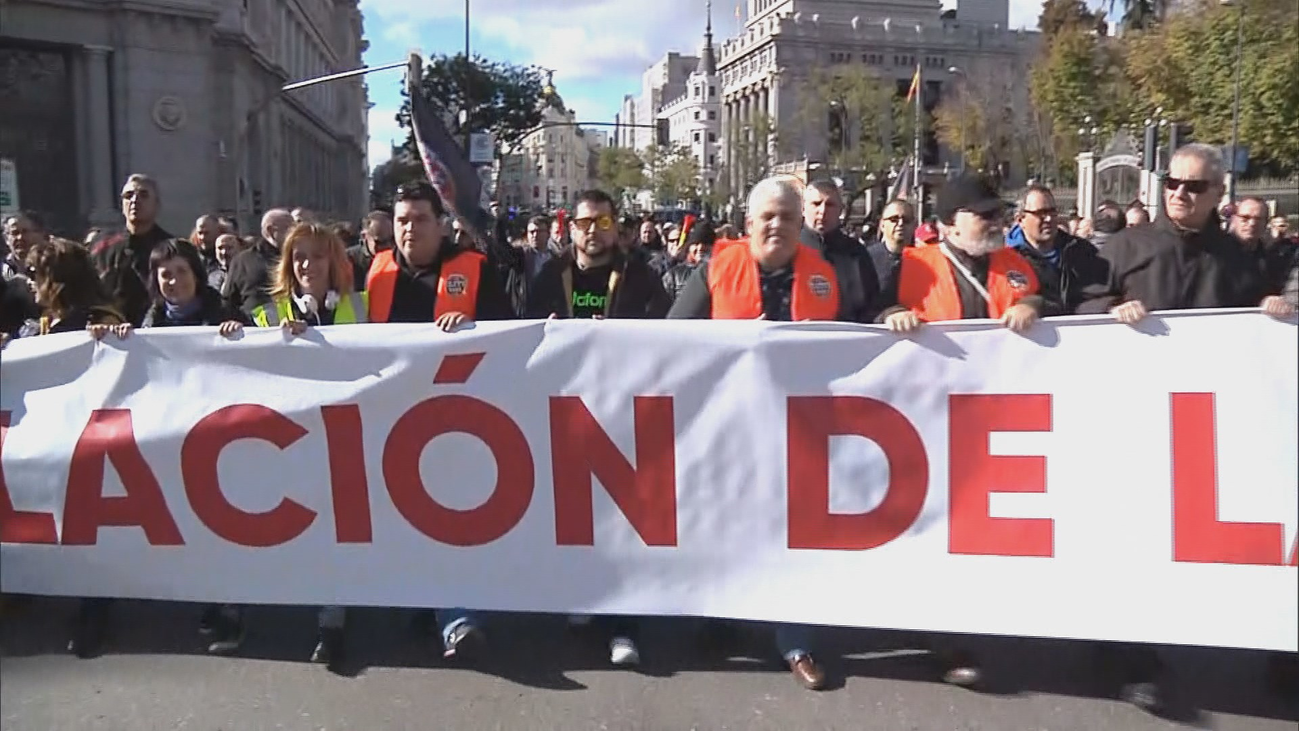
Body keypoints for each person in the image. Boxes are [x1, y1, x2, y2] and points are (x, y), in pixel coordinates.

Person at [667, 177, 837, 690]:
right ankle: (720, 615)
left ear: (799, 224)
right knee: (727, 526)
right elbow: (670, 338)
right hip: (730, 428)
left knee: (795, 536)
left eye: (787, 217)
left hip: (799, 431)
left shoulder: (824, 276)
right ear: (748, 224)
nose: (777, 226)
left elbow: (853, 346)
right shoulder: (716, 268)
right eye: (767, 217)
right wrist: (731, 344)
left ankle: (796, 641)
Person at [1078, 144, 1292, 324]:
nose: (1178, 194)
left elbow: (1257, 314)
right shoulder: (1125, 245)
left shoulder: (1237, 256)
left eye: (1194, 186)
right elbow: (1083, 303)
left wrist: (1271, 306)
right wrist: (1112, 308)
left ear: (1219, 193)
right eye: (1172, 183)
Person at [879, 175, 1052, 336]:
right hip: (938, 366)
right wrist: (892, 314)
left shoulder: (1020, 261)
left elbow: (1055, 303)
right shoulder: (909, 266)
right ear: (950, 223)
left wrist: (1032, 305)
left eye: (999, 214)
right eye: (986, 215)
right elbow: (872, 311)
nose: (997, 223)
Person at [365, 182, 513, 332]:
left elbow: (505, 334)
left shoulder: (475, 269)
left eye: (421, 219)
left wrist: (472, 327)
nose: (410, 228)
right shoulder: (378, 270)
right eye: (402, 221)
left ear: (441, 225)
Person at [527, 189, 671, 322]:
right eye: (584, 223)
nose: (593, 230)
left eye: (604, 222)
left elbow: (660, 329)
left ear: (615, 227)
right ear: (572, 228)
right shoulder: (550, 275)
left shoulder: (641, 277)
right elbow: (529, 325)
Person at [1006, 185, 1108, 314]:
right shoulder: (1005, 259)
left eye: (1052, 211)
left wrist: (1110, 305)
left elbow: (1100, 294)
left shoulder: (1082, 251)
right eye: (1041, 213)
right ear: (1020, 219)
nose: (1048, 219)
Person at [89, 174, 174, 325]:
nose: (135, 200)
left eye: (143, 195)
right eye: (128, 196)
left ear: (156, 204)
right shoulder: (101, 245)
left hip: (155, 329)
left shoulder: (171, 247)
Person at [251, 223, 368, 329]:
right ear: (289, 263)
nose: (307, 264)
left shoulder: (365, 306)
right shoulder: (268, 315)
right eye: (299, 257)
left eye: (318, 256)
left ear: (333, 262)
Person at [801, 180, 882, 322]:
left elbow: (873, 305)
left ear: (841, 210)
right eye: (816, 204)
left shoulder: (856, 253)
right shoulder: (788, 250)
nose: (823, 211)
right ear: (803, 208)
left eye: (830, 205)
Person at [140, 239, 247, 332]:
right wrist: (127, 336)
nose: (174, 281)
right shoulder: (149, 325)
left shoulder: (227, 314)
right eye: (166, 275)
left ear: (196, 274)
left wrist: (241, 333)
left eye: (182, 271)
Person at [223, 208, 293, 316]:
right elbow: (229, 300)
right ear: (270, 230)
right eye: (289, 229)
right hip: (255, 328)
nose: (294, 234)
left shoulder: (295, 258)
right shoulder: (243, 261)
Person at [1229, 197, 1296, 297]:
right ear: (1234, 219)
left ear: (1266, 223)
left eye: (1258, 219)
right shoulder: (1214, 254)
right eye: (1245, 218)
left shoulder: (1274, 259)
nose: (1252, 224)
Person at [865, 199, 917, 302]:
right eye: (894, 219)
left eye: (906, 220)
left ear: (914, 225)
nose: (900, 224)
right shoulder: (866, 259)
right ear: (882, 225)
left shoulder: (927, 260)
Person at [662, 221, 715, 302]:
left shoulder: (721, 274)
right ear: (689, 247)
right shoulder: (673, 276)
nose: (700, 248)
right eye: (696, 244)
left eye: (706, 243)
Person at [345, 210, 394, 291]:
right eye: (380, 242)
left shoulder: (398, 260)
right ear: (364, 237)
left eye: (392, 240)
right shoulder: (346, 260)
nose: (388, 246)